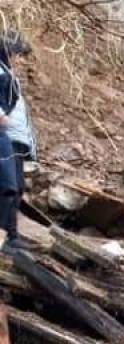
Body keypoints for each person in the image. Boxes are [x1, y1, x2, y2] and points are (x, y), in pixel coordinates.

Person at [0, 30, 35, 253]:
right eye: (19, 55)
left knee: (18, 188)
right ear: (9, 52)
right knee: (7, 188)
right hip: (5, 138)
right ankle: (4, 238)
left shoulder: (9, 75)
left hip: (17, 140)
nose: (21, 61)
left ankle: (11, 236)